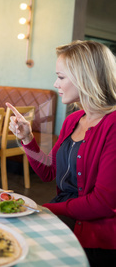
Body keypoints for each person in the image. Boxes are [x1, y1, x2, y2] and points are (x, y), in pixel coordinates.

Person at [6, 40, 116, 266]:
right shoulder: (73, 120)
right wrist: (27, 138)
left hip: (97, 239)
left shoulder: (112, 125)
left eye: (61, 77)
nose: (56, 83)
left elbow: (103, 202)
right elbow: (49, 172)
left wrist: (42, 208)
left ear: (86, 77)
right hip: (63, 218)